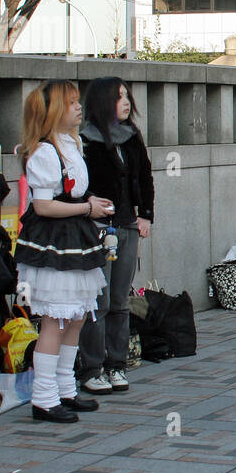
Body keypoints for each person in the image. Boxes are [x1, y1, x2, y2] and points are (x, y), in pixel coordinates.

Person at [15, 81, 112, 423]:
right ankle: (43, 398)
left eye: (77, 102)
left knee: (77, 315)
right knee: (55, 319)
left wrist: (90, 207)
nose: (78, 107)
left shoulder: (72, 144)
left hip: (75, 237)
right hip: (55, 242)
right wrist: (87, 209)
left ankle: (65, 389)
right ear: (54, 110)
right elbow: (42, 205)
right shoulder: (44, 152)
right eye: (71, 103)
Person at [77, 77, 155, 396]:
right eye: (118, 97)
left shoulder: (132, 136)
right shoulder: (85, 139)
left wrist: (145, 214)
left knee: (121, 300)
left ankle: (117, 364)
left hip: (126, 225)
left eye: (126, 96)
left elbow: (145, 177)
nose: (125, 102)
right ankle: (92, 368)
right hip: (96, 228)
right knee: (100, 299)